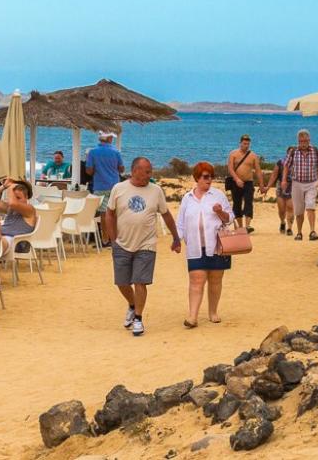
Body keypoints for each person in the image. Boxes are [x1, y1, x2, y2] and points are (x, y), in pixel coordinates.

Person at [103, 157, 180, 338]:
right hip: (122, 242)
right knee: (122, 282)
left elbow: (166, 215)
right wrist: (113, 239)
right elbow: (109, 214)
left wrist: (176, 237)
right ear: (135, 171)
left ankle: (138, 318)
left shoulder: (156, 190)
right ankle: (132, 304)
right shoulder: (118, 188)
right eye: (147, 172)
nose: (149, 175)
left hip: (146, 244)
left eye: (150, 171)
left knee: (140, 281)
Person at [178, 162, 234, 327]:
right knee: (196, 279)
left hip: (217, 244)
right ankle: (192, 317)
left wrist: (219, 211)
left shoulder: (218, 195)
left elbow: (230, 218)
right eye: (205, 176)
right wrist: (177, 240)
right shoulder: (187, 198)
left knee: (216, 279)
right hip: (195, 246)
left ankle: (213, 311)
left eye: (211, 176)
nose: (209, 180)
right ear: (197, 178)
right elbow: (180, 223)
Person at [281, 130, 318, 242]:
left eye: (305, 141)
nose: (303, 143)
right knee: (299, 210)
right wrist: (284, 180)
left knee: (311, 205)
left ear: (309, 140)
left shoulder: (315, 151)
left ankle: (312, 231)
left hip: (312, 183)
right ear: (298, 141)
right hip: (297, 183)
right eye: (301, 141)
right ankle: (299, 232)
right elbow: (286, 166)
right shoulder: (293, 151)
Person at [226, 135, 260, 231]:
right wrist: (237, 179)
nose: (246, 146)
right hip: (235, 182)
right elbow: (230, 168)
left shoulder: (253, 155)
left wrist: (261, 185)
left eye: (248, 144)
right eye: (244, 143)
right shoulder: (233, 154)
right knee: (237, 203)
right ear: (240, 143)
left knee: (249, 202)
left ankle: (248, 225)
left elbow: (258, 170)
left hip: (248, 182)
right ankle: (240, 227)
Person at [86, 132, 125, 203]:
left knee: (102, 212)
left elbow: (89, 171)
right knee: (114, 210)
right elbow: (122, 169)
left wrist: (98, 171)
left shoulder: (92, 152)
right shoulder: (116, 152)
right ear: (109, 138)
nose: (112, 139)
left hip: (100, 186)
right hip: (115, 186)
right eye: (111, 137)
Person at [273, 158, 293, 234]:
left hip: (292, 186)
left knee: (290, 207)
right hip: (280, 186)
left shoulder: (297, 163)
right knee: (281, 209)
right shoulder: (280, 162)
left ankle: (289, 228)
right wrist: (267, 187)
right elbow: (274, 176)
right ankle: (282, 222)